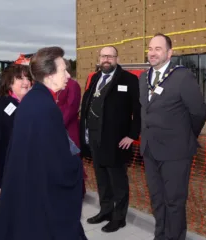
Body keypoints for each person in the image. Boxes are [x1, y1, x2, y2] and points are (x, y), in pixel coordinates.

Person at [0, 46, 86, 240]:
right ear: (49, 75)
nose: (68, 75)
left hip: (30, 189)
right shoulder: (45, 107)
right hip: (42, 198)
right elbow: (57, 162)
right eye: (63, 70)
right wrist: (76, 165)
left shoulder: (33, 100)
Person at [139, 33, 206, 240]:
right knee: (157, 200)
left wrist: (185, 136)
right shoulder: (143, 77)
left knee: (174, 202)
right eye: (150, 49)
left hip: (176, 153)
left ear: (170, 53)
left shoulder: (182, 76)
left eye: (158, 49)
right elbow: (146, 111)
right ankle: (160, 236)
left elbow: (198, 113)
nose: (152, 53)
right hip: (150, 150)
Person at [80, 46, 141, 233]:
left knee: (118, 182)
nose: (106, 59)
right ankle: (105, 211)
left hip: (116, 142)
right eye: (103, 56)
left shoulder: (129, 80)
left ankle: (119, 217)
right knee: (102, 179)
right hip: (96, 139)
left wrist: (132, 135)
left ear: (116, 58)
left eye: (110, 56)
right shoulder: (95, 78)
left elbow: (138, 110)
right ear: (99, 58)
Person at [0, 64, 32, 240]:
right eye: (20, 78)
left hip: (27, 176)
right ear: (9, 83)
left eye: (28, 78)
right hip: (4, 178)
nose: (26, 82)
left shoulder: (34, 105)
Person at [56, 59, 87, 196]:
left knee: (72, 159)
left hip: (69, 129)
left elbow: (71, 107)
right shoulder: (56, 85)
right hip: (57, 127)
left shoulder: (73, 85)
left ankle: (78, 191)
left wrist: (58, 124)